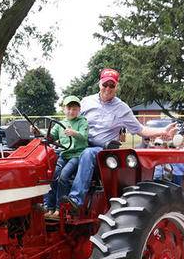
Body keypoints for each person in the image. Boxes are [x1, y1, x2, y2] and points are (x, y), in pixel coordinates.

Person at [62, 68, 175, 211]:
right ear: (99, 84)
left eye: (112, 85)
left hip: (103, 151)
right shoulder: (86, 102)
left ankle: (75, 200)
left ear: (116, 87)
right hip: (80, 143)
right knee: (53, 154)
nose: (108, 89)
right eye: (105, 85)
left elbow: (140, 130)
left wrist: (162, 131)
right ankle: (50, 201)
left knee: (88, 153)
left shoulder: (122, 108)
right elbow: (71, 119)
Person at [43, 95, 89, 219]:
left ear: (79, 110)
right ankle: (49, 208)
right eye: (69, 108)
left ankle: (60, 209)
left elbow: (84, 137)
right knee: (53, 177)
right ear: (64, 109)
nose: (71, 111)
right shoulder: (60, 124)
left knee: (63, 177)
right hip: (64, 155)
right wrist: (37, 131)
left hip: (77, 155)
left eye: (74, 109)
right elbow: (50, 137)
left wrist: (75, 133)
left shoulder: (82, 121)